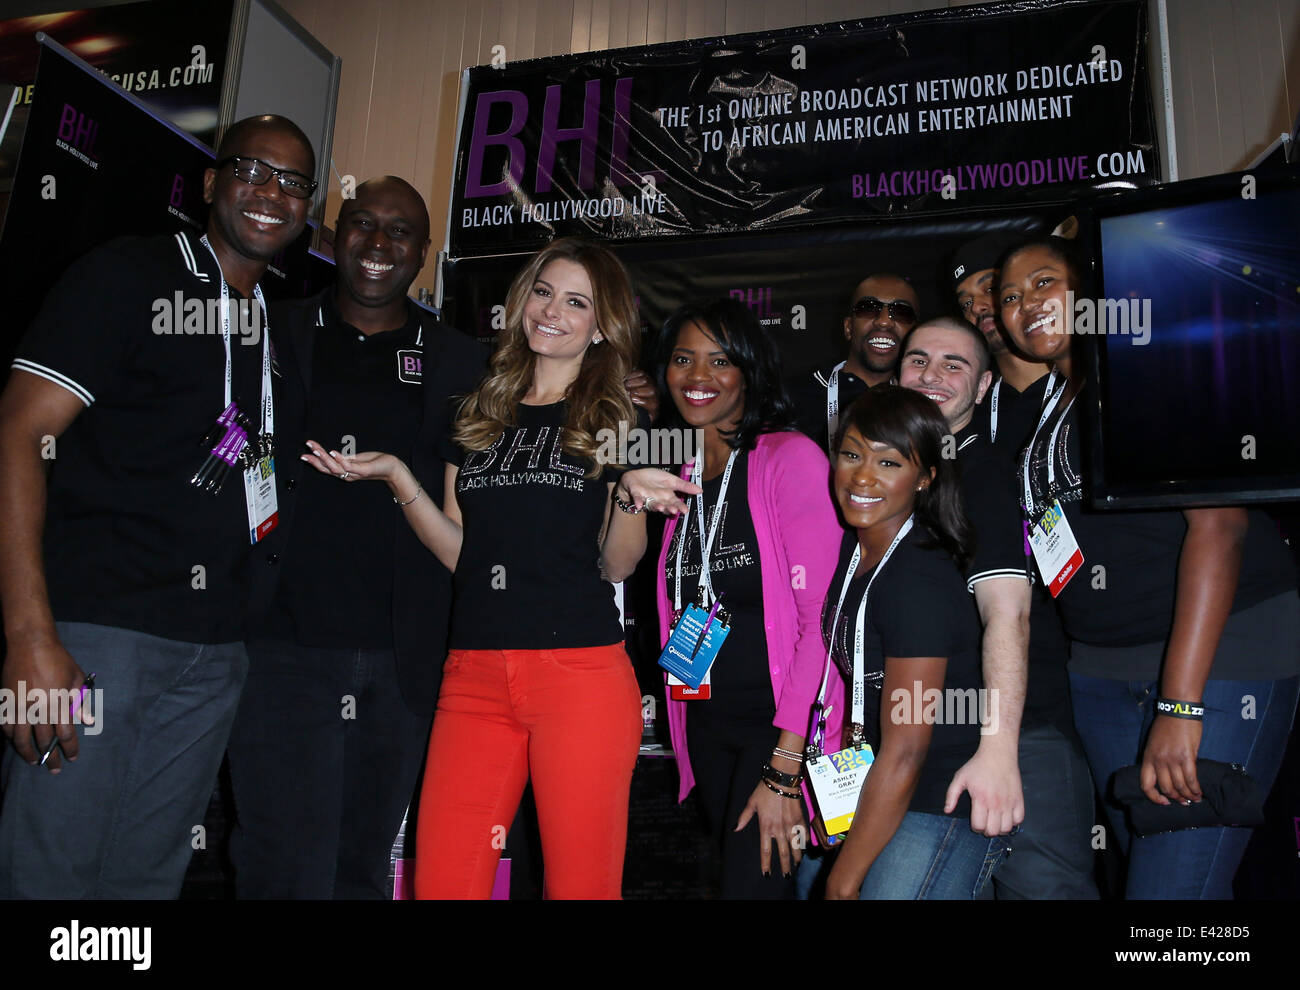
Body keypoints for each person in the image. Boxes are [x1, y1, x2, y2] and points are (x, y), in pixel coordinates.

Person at [301, 237, 695, 899]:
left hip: (579, 677)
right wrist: (399, 476)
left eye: (577, 302)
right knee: (445, 884)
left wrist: (629, 494)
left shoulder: (616, 419)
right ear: (521, 301)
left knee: (580, 888)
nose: (552, 311)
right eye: (543, 291)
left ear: (601, 327)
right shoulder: (478, 411)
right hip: (474, 676)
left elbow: (616, 565)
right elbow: (462, 553)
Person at [0, 115, 315, 897]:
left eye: (294, 182)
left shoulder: (273, 329)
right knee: (52, 872)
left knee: (145, 882)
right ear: (210, 184)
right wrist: (30, 638)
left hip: (214, 654)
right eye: (253, 169)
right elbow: (17, 434)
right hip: (98, 639)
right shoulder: (126, 277)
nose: (272, 192)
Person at [999, 236, 1300, 899]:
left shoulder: (1155, 365)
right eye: (1012, 297)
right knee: (1161, 882)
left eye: (1045, 282)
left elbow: (1220, 527)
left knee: (1169, 901)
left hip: (1220, 663)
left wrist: (1179, 701)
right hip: (1102, 673)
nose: (1026, 306)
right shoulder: (1048, 405)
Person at [226, 176, 486, 898]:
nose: (379, 244)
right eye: (363, 225)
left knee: (363, 870)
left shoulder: (463, 361)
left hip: (406, 658)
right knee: (282, 869)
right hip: (283, 648)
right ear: (331, 238)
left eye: (399, 231)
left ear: (423, 253)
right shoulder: (271, 331)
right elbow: (221, 444)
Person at [650, 299, 843, 899]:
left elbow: (823, 621)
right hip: (707, 725)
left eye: (720, 360)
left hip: (778, 731)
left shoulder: (789, 458)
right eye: (684, 359)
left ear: (750, 372)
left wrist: (785, 767)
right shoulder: (673, 472)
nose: (698, 376)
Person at [899, 316, 1098, 899]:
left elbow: (1008, 615)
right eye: (918, 361)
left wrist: (998, 748)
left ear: (984, 387)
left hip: (1014, 738)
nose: (931, 374)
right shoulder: (893, 477)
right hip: (935, 737)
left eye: (953, 364)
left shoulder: (981, 474)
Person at [822, 386, 1010, 899]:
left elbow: (907, 750)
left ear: (925, 477)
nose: (862, 476)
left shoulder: (916, 578)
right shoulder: (857, 550)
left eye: (889, 462)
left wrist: (842, 881)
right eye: (852, 454)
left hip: (936, 797)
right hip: (886, 786)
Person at [788, 272, 919, 455]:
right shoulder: (791, 399)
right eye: (868, 308)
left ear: (915, 334)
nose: (884, 321)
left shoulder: (921, 404)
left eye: (901, 313)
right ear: (848, 328)